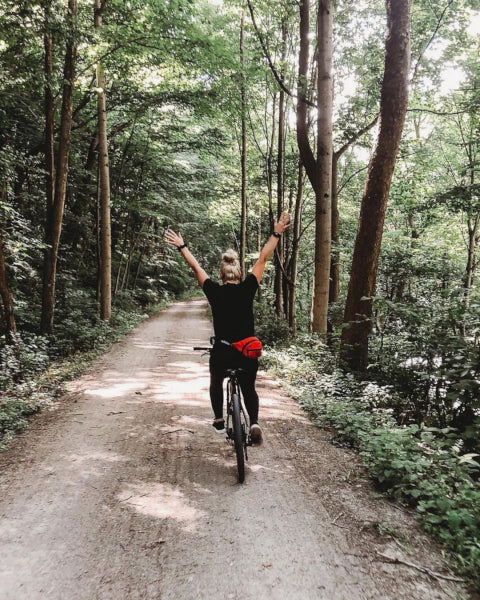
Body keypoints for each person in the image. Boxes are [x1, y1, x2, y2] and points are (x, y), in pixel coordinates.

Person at [165, 212, 291, 445]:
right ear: (240, 274)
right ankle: (253, 422)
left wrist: (182, 246)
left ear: (221, 276)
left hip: (223, 353)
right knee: (249, 387)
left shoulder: (213, 290)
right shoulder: (248, 287)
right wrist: (277, 232)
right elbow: (263, 258)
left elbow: (196, 267)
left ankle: (219, 419)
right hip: (247, 352)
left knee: (215, 381)